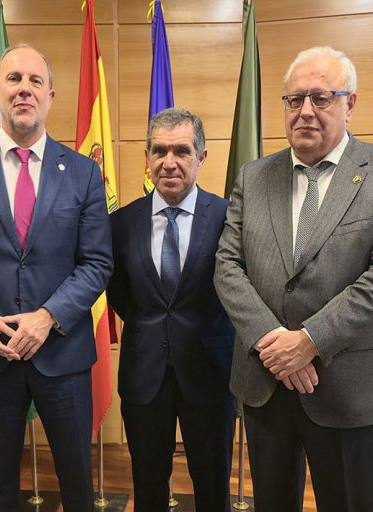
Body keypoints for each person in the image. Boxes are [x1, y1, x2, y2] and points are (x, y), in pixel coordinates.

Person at [214, 46, 373, 511]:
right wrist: (273, 343)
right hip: (267, 380)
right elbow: (228, 266)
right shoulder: (254, 176)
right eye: (295, 99)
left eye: (322, 98)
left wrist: (309, 341)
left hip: (350, 388)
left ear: (350, 105)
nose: (306, 111)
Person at [0, 44, 112, 512]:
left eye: (35, 81)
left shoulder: (84, 172)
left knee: (77, 478)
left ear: (50, 97)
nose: (24, 90)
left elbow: (97, 262)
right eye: (14, 79)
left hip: (62, 353)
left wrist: (47, 317)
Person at [107, 108, 236, 512]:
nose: (169, 162)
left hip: (210, 375)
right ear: (147, 157)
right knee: (148, 487)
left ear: (202, 156)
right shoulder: (121, 223)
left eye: (181, 150)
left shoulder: (229, 217)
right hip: (144, 377)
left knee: (213, 487)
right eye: (159, 151)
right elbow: (120, 293)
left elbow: (239, 291)